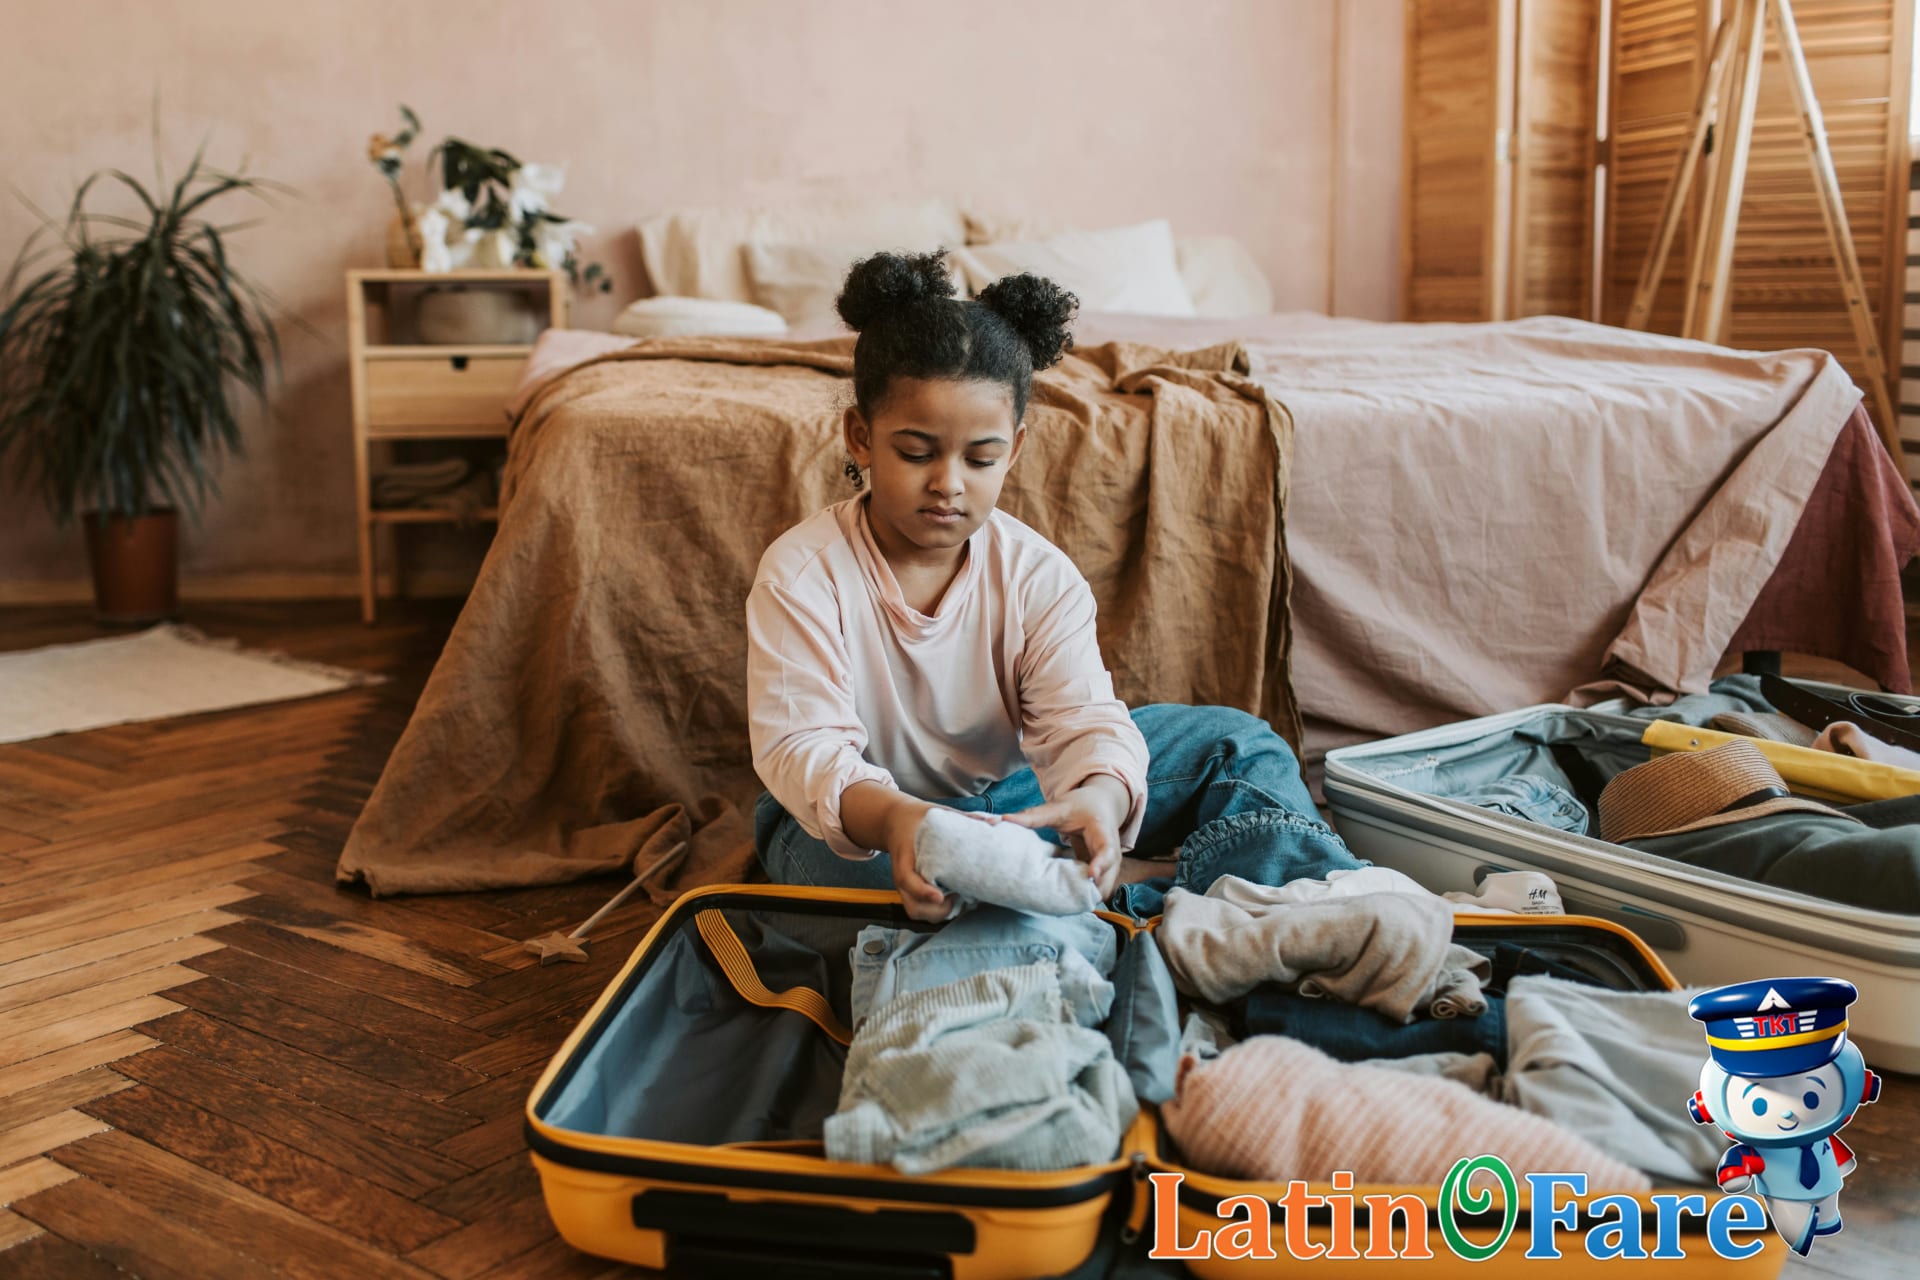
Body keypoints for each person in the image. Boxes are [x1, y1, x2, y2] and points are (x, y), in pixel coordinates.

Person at [745, 249, 1362, 921]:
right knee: (827, 887)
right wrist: (905, 827)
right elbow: (806, 752)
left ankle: (1323, 909)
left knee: (1237, 746)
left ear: (1014, 448)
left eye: (980, 458)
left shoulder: (1037, 574)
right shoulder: (803, 574)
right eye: (916, 453)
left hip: (1017, 803)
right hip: (870, 827)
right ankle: (1135, 888)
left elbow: (1081, 720)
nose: (949, 483)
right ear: (860, 438)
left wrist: (1099, 795)